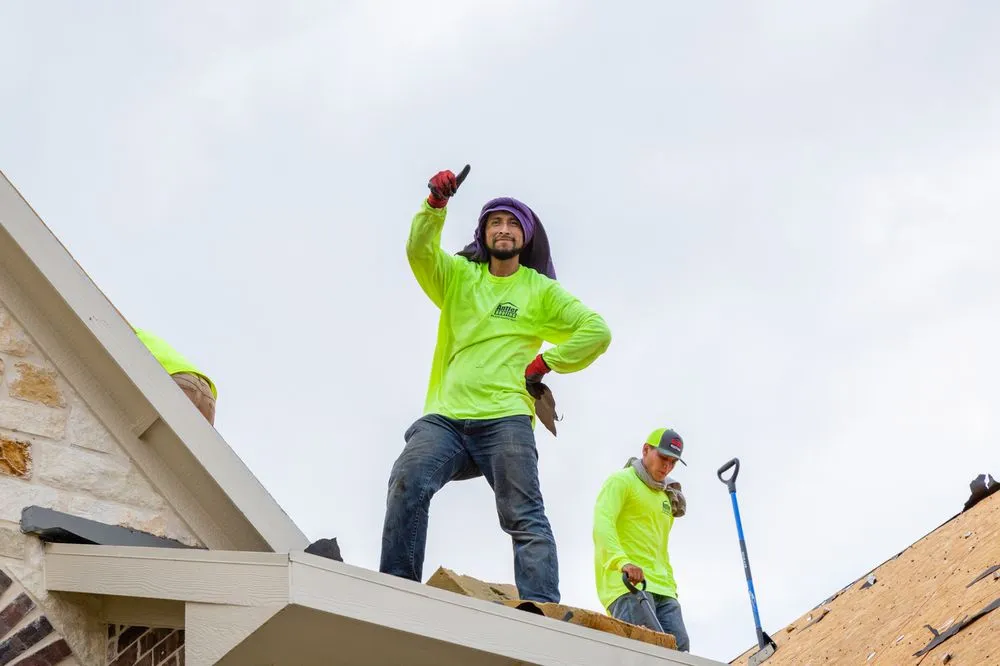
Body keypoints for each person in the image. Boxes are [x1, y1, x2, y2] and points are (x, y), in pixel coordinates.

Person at [379, 168, 612, 603]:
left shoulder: (539, 290)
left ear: (524, 237)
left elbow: (596, 330)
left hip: (506, 418)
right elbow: (419, 251)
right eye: (494, 223)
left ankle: (541, 609)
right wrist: (434, 205)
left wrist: (546, 361)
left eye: (511, 224)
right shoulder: (458, 278)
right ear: (483, 233)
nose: (502, 230)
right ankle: (397, 592)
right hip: (446, 417)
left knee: (524, 515)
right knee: (406, 480)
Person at [592, 427, 690, 651]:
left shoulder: (665, 497)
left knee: (681, 648)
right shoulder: (621, 481)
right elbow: (602, 524)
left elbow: (660, 548)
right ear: (646, 450)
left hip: (663, 588)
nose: (667, 466)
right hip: (628, 584)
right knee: (645, 652)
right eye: (663, 458)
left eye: (673, 462)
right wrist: (622, 562)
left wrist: (672, 586)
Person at [134, 327, 218, 425]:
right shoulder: (149, 337)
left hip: (180, 381)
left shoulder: (126, 335)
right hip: (208, 394)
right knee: (195, 438)